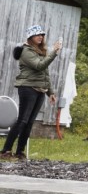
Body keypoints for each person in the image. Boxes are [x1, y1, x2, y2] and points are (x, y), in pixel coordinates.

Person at [1, 25, 61, 160]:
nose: (40, 37)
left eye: (42, 35)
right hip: (28, 88)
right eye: (37, 35)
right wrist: (54, 52)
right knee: (22, 120)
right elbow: (39, 66)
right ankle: (5, 151)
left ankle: (19, 152)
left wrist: (50, 92)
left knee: (29, 122)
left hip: (40, 89)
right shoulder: (26, 51)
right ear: (30, 37)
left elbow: (45, 73)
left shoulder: (40, 51)